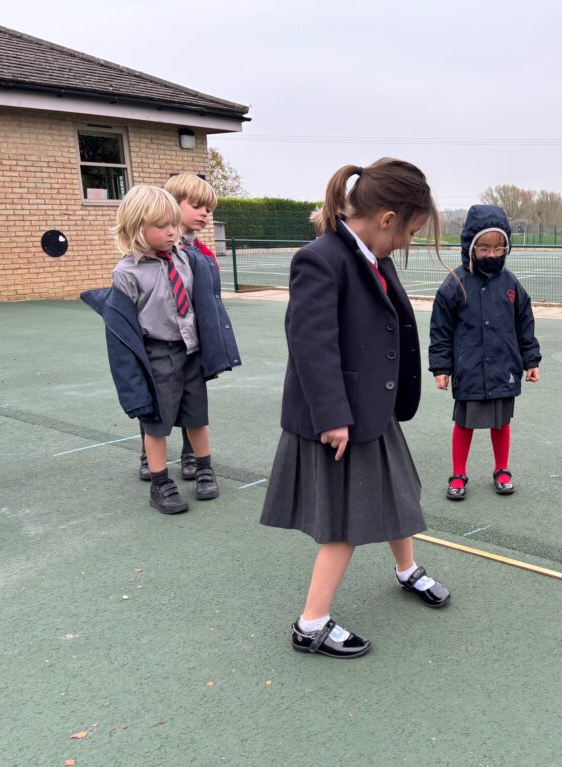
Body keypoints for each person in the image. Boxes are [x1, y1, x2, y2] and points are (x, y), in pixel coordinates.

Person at [259, 158, 451, 659]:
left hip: (373, 407)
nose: (407, 243)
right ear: (387, 218)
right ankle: (311, 624)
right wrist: (332, 417)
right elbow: (310, 345)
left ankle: (407, 570)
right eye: (409, 230)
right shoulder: (321, 259)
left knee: (400, 493)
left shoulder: (372, 255)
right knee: (343, 525)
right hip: (339, 418)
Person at [81, 185, 239, 514]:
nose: (172, 232)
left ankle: (204, 468)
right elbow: (121, 334)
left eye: (173, 224)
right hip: (157, 355)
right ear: (136, 229)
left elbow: (206, 307)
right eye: (162, 226)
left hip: (190, 352)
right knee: (156, 421)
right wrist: (133, 382)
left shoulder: (186, 259)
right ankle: (159, 483)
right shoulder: (126, 273)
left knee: (197, 416)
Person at [429, 204, 541, 500]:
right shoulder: (455, 284)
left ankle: (502, 469)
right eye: (484, 248)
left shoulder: (511, 284)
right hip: (469, 369)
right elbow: (441, 329)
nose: (492, 254)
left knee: (501, 422)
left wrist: (531, 360)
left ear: (507, 246)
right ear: (470, 246)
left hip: (503, 367)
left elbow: (524, 324)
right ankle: (458, 473)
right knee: (464, 423)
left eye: (498, 247)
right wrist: (442, 367)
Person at [135, 173, 236, 482]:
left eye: (209, 208)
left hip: (192, 338)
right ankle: (147, 453)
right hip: (161, 341)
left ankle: (190, 452)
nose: (205, 214)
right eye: (196, 206)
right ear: (171, 206)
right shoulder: (155, 252)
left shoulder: (201, 254)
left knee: (192, 398)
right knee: (157, 397)